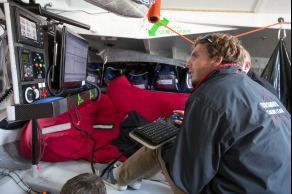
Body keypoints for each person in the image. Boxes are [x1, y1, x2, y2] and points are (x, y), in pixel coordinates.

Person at [96, 33, 291, 194]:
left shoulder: (208, 94)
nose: (187, 63)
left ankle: (117, 177)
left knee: (162, 143)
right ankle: (133, 178)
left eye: (196, 56)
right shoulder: (261, 91)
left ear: (217, 59)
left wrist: (185, 136)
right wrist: (194, 126)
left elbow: (189, 180)